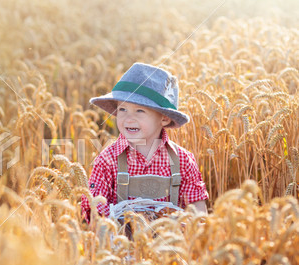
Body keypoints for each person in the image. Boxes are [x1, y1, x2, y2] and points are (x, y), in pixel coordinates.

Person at [81, 62, 208, 223]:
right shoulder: (107, 160)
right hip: (120, 244)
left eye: (139, 110)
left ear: (164, 118)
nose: (129, 118)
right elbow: (93, 211)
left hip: (169, 244)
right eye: (122, 109)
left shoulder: (183, 161)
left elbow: (198, 210)